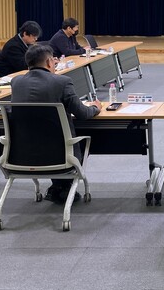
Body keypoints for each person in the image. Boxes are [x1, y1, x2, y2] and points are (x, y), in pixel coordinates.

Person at [10, 44, 102, 204]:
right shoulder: (62, 82)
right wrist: (95, 107)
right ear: (49, 62)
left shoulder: (16, 82)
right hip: (59, 156)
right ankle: (63, 186)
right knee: (70, 137)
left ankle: (59, 187)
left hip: (21, 155)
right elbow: (82, 114)